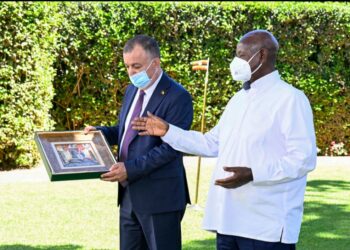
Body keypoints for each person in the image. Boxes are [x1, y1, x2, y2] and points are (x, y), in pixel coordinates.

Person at [132, 30, 317, 250]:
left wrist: (253, 173)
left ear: (261, 56)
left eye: (241, 54)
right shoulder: (238, 100)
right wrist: (168, 131)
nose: (235, 61)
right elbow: (211, 143)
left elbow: (303, 159)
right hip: (228, 221)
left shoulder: (291, 99)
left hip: (266, 226)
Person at [84, 34, 193, 250]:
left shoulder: (178, 96)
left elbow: (171, 148)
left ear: (156, 63)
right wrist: (100, 133)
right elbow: (126, 131)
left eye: (136, 66)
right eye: (127, 66)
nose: (131, 73)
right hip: (129, 195)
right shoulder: (132, 89)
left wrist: (129, 169)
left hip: (160, 198)